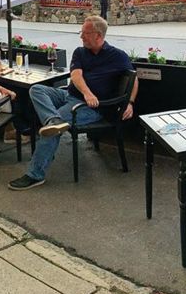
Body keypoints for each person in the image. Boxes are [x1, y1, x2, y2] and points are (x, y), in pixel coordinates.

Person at [8, 15, 138, 190]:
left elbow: (133, 79)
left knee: (50, 131)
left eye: (85, 33)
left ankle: (35, 174)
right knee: (36, 90)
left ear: (98, 36)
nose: (81, 36)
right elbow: (76, 75)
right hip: (70, 95)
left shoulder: (117, 56)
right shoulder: (80, 51)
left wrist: (130, 102)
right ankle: (53, 120)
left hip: (92, 107)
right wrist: (87, 92)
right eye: (81, 32)